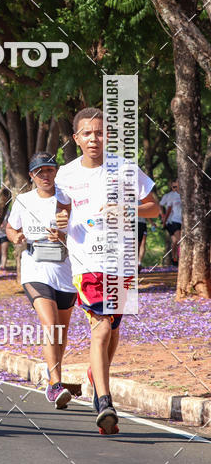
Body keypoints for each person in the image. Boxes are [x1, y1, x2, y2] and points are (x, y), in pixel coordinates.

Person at [55, 107, 159, 435]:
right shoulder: (65, 175)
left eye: (99, 132)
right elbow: (59, 218)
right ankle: (104, 401)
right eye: (87, 133)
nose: (94, 138)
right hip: (86, 263)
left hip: (121, 261)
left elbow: (155, 207)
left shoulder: (125, 168)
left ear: (108, 136)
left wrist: (126, 207)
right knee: (100, 329)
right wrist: (56, 225)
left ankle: (94, 375)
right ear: (76, 139)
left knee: (112, 330)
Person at [7, 153, 76, 408]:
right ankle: (56, 384)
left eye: (49, 170)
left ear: (55, 172)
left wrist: (64, 230)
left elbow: (81, 228)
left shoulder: (66, 198)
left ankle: (52, 378)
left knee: (62, 331)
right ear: (32, 176)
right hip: (35, 270)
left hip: (65, 271)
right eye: (40, 172)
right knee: (51, 325)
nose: (45, 176)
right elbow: (11, 228)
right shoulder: (23, 201)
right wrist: (16, 238)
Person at [160, 180, 181, 265]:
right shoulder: (170, 196)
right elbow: (166, 208)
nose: (175, 188)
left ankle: (174, 258)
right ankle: (177, 258)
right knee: (180, 239)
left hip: (183, 221)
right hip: (173, 221)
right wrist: (164, 219)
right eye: (174, 187)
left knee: (175, 241)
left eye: (177, 186)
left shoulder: (185, 194)